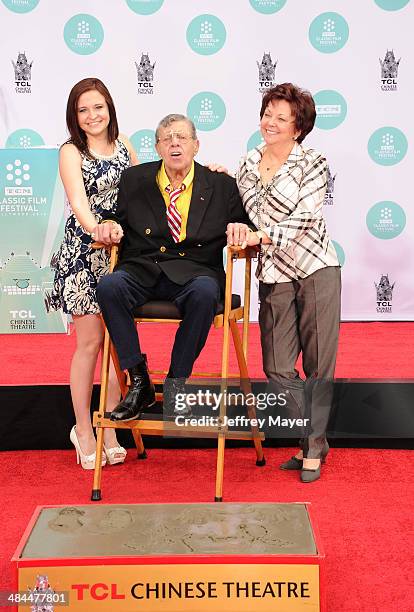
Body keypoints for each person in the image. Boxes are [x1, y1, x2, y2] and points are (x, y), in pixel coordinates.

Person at [94, 113, 250, 421]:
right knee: (109, 286)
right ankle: (139, 382)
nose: (174, 143)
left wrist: (242, 232)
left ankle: (177, 384)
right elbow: (119, 221)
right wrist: (110, 227)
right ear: (157, 147)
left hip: (196, 272)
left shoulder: (221, 184)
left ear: (196, 145)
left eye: (181, 137)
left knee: (206, 292)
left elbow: (244, 225)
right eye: (167, 138)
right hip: (144, 268)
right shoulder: (135, 179)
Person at [227, 83, 341, 482]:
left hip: (316, 268)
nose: (270, 122)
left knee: (317, 364)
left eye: (281, 116)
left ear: (298, 126)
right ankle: (316, 437)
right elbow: (239, 206)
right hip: (274, 274)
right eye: (267, 114)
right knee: (276, 367)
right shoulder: (247, 162)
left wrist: (262, 235)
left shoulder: (313, 160)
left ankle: (310, 446)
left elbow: (308, 216)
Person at [49, 77, 138, 469]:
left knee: (117, 347)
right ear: (75, 116)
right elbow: (80, 204)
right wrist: (97, 228)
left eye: (98, 107)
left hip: (121, 258)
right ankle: (83, 430)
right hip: (84, 255)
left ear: (109, 108)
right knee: (90, 344)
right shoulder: (72, 150)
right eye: (83, 110)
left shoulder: (126, 146)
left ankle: (110, 427)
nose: (92, 116)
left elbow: (144, 194)